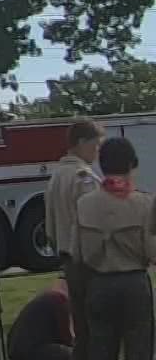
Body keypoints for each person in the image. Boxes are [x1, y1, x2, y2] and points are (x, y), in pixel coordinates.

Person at [74, 136, 156, 360]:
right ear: (131, 164)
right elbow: (152, 252)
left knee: (101, 348)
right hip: (134, 284)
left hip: (98, 283)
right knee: (139, 349)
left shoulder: (84, 204)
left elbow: (77, 252)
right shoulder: (145, 203)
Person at [48, 119, 103, 360]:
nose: (98, 151)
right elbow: (95, 223)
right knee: (98, 332)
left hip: (68, 261)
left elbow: (50, 226)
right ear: (81, 142)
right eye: (96, 145)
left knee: (80, 332)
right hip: (89, 262)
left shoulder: (56, 175)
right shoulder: (83, 177)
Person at [8, 280, 76, 360]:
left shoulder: (47, 297)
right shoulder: (59, 299)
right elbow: (66, 338)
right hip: (30, 351)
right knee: (74, 354)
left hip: (16, 349)